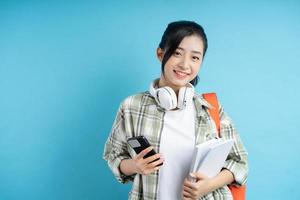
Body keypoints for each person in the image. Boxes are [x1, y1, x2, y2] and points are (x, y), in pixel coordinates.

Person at [103, 20, 248, 200]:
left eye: (195, 57)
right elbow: (113, 155)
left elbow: (240, 162)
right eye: (177, 53)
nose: (185, 65)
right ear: (160, 53)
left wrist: (208, 186)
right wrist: (135, 166)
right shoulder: (131, 106)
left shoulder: (210, 109)